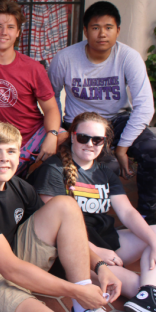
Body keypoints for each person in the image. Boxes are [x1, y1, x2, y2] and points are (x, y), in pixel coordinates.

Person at [0, 121, 122, 312]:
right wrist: (76, 291)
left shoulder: (18, 186)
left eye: (11, 151)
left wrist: (100, 266)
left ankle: (84, 307)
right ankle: (82, 296)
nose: (4, 158)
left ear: (19, 156)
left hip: (14, 259)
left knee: (65, 205)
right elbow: (10, 269)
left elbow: (65, 234)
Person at [31, 112, 156, 311]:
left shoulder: (104, 171)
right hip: (76, 255)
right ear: (73, 136)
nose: (90, 144)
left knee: (154, 233)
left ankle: (149, 291)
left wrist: (152, 242)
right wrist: (97, 253)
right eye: (83, 137)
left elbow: (127, 213)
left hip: (107, 243)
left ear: (104, 143)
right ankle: (145, 292)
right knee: (132, 284)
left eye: (97, 140)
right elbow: (56, 229)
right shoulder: (54, 169)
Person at [48, 1, 156, 222]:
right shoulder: (65, 58)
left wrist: (123, 147)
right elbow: (50, 98)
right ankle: (94, 223)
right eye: (96, 27)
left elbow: (145, 106)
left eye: (109, 27)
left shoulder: (128, 57)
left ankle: (149, 215)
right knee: (105, 165)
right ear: (85, 31)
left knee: (153, 149)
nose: (102, 33)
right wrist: (58, 129)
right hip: (80, 122)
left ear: (118, 30)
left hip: (117, 120)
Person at [0, 0, 65, 177]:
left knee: (69, 140)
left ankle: (42, 185)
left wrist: (52, 135)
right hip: (1, 140)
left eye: (10, 27)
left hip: (34, 134)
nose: (4, 32)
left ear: (18, 33)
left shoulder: (33, 68)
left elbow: (51, 109)